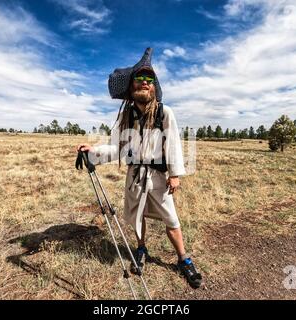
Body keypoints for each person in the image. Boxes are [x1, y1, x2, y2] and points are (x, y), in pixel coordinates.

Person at [77, 48, 202, 288]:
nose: (144, 83)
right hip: (135, 176)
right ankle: (141, 248)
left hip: (158, 176)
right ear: (132, 86)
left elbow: (174, 143)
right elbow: (116, 148)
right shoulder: (126, 116)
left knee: (171, 219)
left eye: (149, 80)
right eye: (140, 79)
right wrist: (92, 152)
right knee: (138, 216)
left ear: (154, 86)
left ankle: (183, 258)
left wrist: (174, 174)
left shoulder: (165, 113)